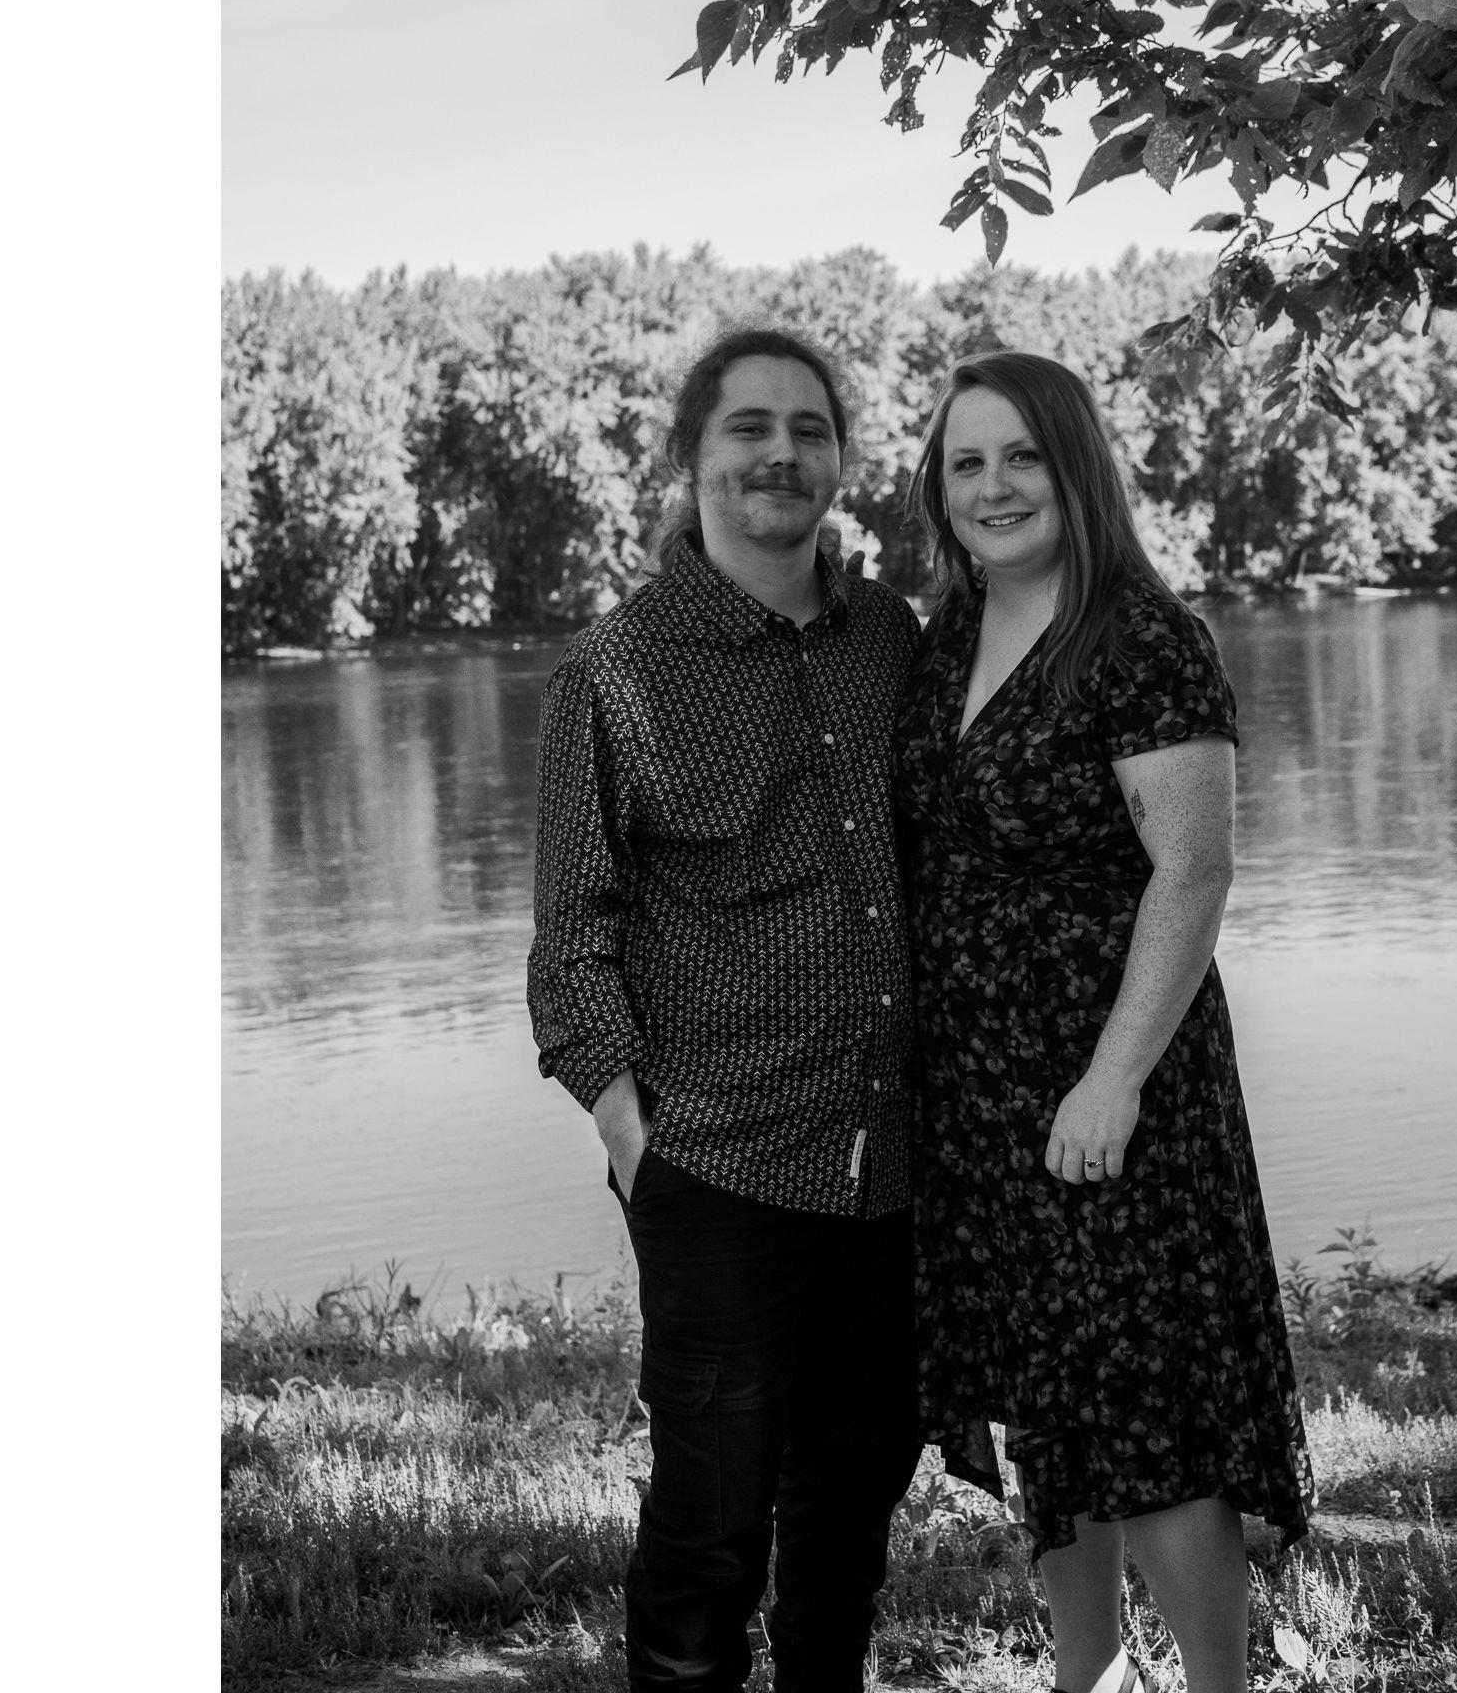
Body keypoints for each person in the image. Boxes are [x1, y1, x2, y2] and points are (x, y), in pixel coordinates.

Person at [894, 351, 1314, 1693]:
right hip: (983, 1086)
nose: (993, 485)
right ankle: (1089, 1673)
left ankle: (1216, 1686)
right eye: (967, 461)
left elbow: (1192, 872)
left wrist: (1113, 1078)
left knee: (1151, 1407)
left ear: (1075, 467)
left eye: (1021, 455)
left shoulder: (1139, 637)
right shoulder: (948, 634)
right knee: (1046, 1398)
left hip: (1114, 1079)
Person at [527, 325, 923, 1693]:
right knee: (709, 1526)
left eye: (810, 429)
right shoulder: (614, 672)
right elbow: (571, 937)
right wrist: (631, 1133)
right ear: (691, 456)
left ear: (840, 460)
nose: (781, 453)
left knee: (852, 1511)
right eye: (749, 427)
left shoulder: (889, 638)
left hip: (889, 1165)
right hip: (720, 1167)